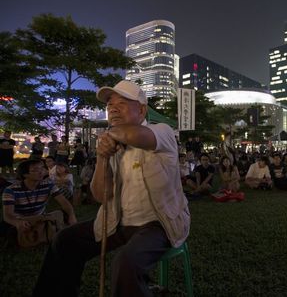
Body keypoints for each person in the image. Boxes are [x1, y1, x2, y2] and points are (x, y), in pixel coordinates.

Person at [33, 80, 190, 297]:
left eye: (122, 103)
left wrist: (111, 136)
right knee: (65, 240)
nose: (113, 108)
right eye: (109, 105)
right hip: (118, 222)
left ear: (142, 109)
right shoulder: (111, 145)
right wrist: (101, 156)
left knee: (126, 261)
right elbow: (101, 195)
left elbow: (136, 136)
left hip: (158, 223)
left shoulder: (160, 131)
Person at [1, 159, 77, 245]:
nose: (41, 172)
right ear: (25, 174)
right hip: (22, 220)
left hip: (39, 218)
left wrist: (72, 215)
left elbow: (64, 202)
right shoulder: (11, 190)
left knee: (62, 214)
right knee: (11, 232)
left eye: (42, 168)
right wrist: (17, 222)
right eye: (36, 170)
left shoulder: (48, 185)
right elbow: (8, 215)